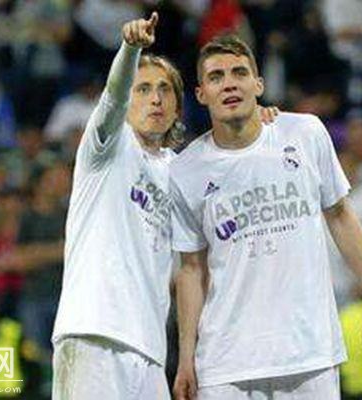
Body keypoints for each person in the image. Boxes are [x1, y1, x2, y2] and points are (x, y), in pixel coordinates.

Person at [51, 14, 277, 399]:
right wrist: (130, 49)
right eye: (142, 89)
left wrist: (261, 125)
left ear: (177, 109)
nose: (155, 98)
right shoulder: (106, 147)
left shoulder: (181, 171)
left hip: (151, 351)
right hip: (94, 333)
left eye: (164, 90)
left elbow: (230, 174)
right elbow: (112, 96)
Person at [171, 35, 362, 400]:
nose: (229, 83)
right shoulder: (185, 170)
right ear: (201, 94)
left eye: (239, 73)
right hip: (225, 362)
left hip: (309, 352)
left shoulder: (305, 133)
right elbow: (191, 269)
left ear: (258, 85)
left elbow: (340, 215)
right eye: (216, 77)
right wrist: (185, 358)